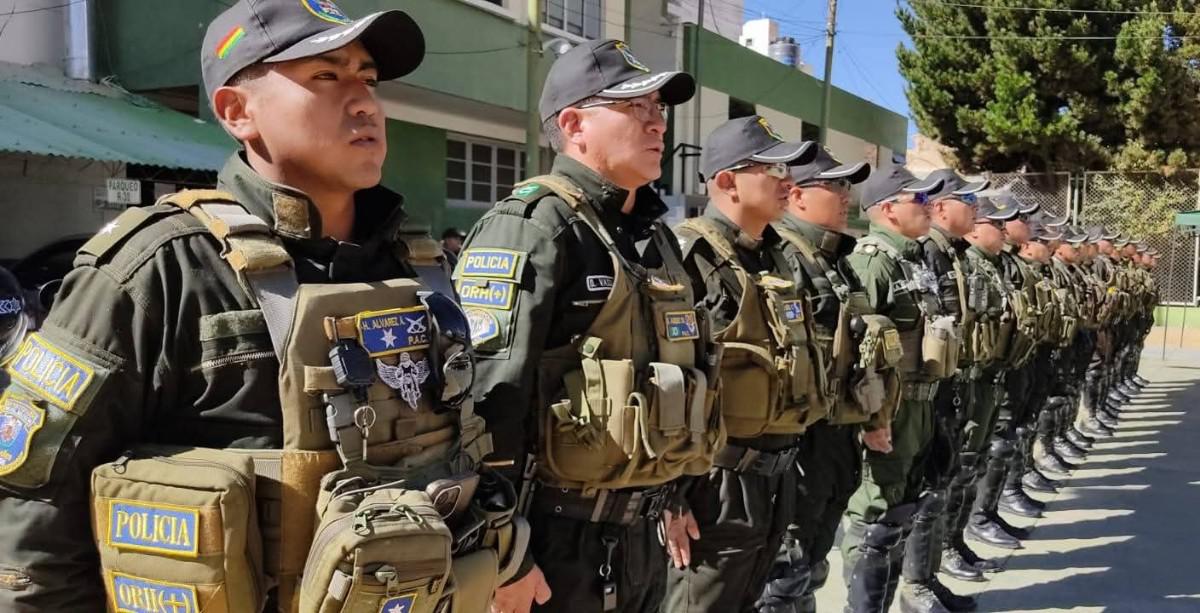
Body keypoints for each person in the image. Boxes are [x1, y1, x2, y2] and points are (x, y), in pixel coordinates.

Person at [0, 2, 519, 611]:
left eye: (369, 79)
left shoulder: (419, 265)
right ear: (237, 112)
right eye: (326, 76)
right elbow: (33, 506)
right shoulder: (157, 269)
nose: (364, 103)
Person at [455, 39, 721, 613]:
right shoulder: (535, 228)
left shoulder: (657, 238)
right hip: (555, 545)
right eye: (636, 108)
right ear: (574, 124)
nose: (658, 124)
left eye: (660, 109)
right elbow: (485, 402)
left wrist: (673, 495)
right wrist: (505, 553)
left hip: (641, 534)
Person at [663, 116, 816, 612]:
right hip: (714, 485)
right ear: (727, 181)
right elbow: (666, 378)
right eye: (773, 169)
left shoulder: (774, 256)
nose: (787, 181)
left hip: (771, 479)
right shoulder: (687, 256)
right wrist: (670, 495)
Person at [757, 147, 883, 613]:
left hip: (836, 435)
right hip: (800, 443)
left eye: (847, 186)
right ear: (796, 196)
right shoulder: (783, 257)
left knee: (811, 560)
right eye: (835, 185)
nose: (846, 196)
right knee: (785, 568)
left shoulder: (834, 258)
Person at [838, 162, 953, 613]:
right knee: (875, 518)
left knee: (903, 511)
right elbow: (858, 348)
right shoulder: (873, 262)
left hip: (917, 408)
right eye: (918, 200)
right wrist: (873, 419)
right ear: (887, 208)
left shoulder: (910, 260)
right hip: (889, 411)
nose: (928, 208)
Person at [940, 197, 1017, 582]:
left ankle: (958, 539)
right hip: (965, 382)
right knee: (959, 466)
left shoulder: (992, 266)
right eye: (995, 224)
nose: (1002, 231)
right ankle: (945, 550)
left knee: (974, 463)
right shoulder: (964, 263)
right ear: (974, 229)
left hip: (987, 378)